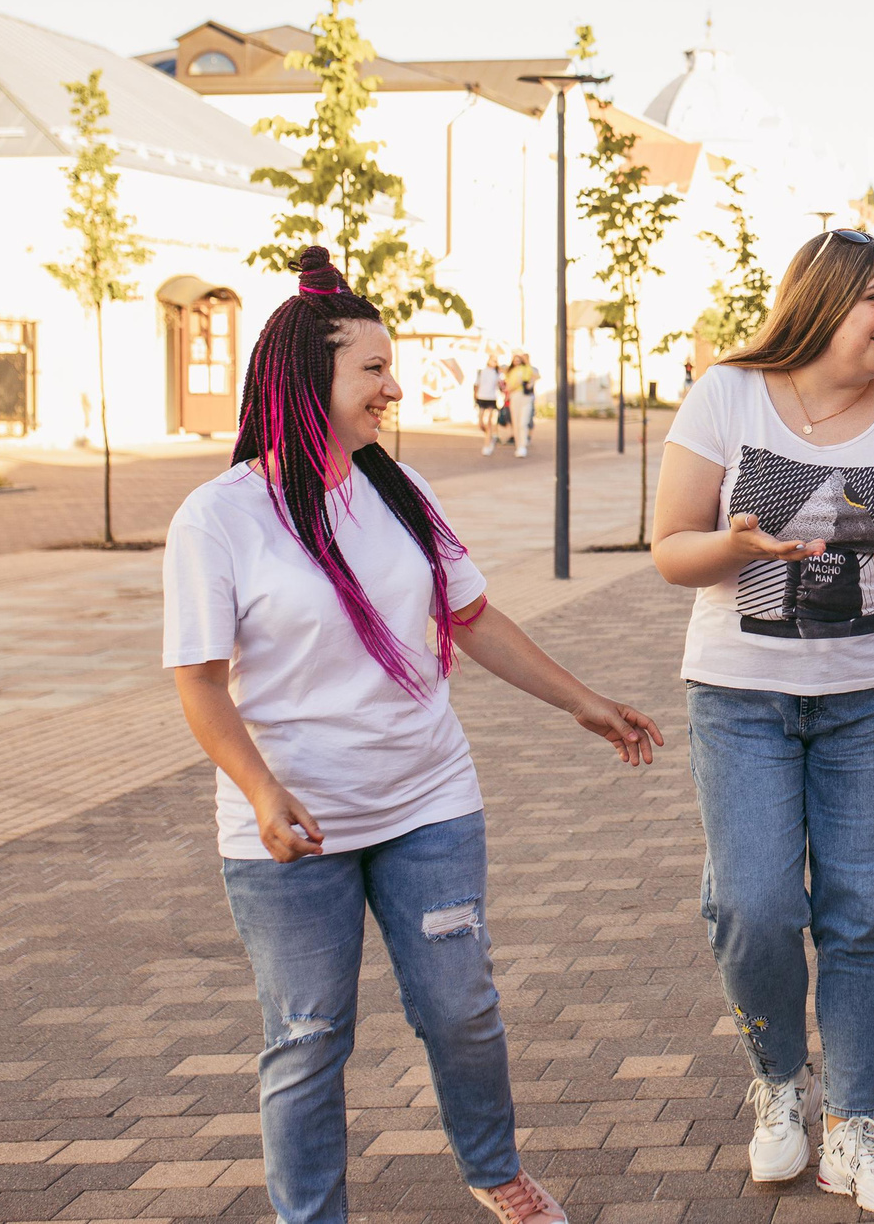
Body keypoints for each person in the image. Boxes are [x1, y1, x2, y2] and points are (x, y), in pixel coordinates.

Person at [163, 247, 665, 1224]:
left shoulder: (399, 491)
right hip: (294, 825)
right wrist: (261, 789)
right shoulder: (218, 519)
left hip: (428, 800)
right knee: (308, 1036)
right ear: (307, 381)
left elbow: (471, 617)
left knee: (459, 1007)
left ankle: (493, 1168)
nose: (393, 388)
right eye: (374, 369)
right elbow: (199, 684)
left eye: (390, 368)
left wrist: (584, 702)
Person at [650, 228, 874, 1214]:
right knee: (753, 905)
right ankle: (777, 1080)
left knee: (861, 912)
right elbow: (670, 547)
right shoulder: (729, 395)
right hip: (740, 694)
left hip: (872, 696)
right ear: (823, 299)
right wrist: (736, 545)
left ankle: (851, 1124)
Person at [503, 352, 537, 459]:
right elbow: (508, 387)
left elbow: (535, 376)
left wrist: (529, 383)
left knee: (523, 423)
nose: (517, 362)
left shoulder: (527, 369)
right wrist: (516, 384)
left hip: (526, 397)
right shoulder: (511, 372)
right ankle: (519, 446)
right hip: (515, 396)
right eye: (515, 360)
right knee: (516, 422)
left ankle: (523, 445)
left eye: (519, 360)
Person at [474, 353, 506, 455]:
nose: (493, 362)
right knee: (480, 423)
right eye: (492, 360)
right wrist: (475, 397)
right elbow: (476, 385)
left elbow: (501, 386)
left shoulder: (498, 373)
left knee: (489, 422)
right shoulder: (481, 372)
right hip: (481, 397)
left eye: (495, 361)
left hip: (492, 398)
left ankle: (487, 444)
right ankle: (491, 435)